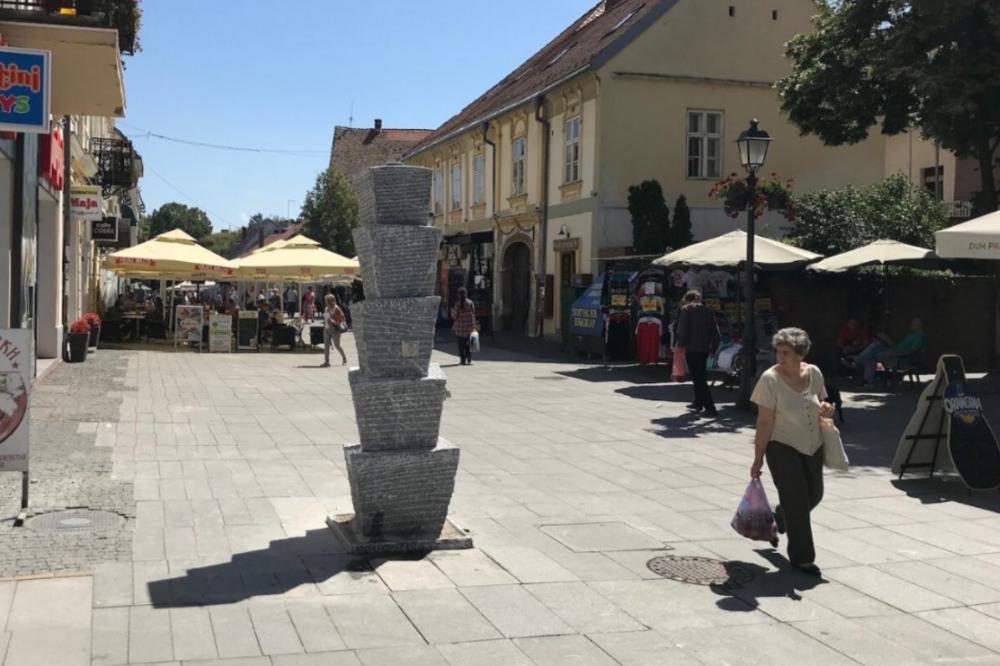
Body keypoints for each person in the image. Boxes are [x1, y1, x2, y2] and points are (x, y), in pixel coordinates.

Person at [750, 327, 834, 577]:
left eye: (785, 352)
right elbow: (764, 422)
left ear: (800, 353)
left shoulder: (814, 373)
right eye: (778, 351)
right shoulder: (769, 379)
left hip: (812, 444)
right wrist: (758, 458)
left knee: (814, 495)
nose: (780, 356)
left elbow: (821, 402)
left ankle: (780, 517)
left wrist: (827, 409)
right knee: (797, 499)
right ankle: (802, 559)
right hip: (781, 446)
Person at [675, 290, 720, 417]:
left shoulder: (686, 310)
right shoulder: (708, 311)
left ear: (687, 299)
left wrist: (680, 344)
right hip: (704, 348)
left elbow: (683, 329)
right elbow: (715, 331)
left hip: (692, 348)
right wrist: (714, 347)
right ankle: (698, 402)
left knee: (698, 378)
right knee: (699, 375)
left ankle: (710, 407)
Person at [853, 317, 927, 387]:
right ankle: (867, 380)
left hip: (901, 358)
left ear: (920, 325)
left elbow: (913, 350)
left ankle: (860, 365)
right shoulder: (911, 335)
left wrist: (896, 353)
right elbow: (897, 347)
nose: (911, 324)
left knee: (873, 353)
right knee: (876, 344)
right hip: (895, 353)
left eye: (913, 323)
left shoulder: (920, 336)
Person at [451, 287, 477, 366]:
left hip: (460, 328)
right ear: (466, 294)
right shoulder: (470, 303)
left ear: (459, 295)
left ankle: (463, 360)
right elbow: (473, 313)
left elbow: (454, 316)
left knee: (461, 345)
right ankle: (469, 359)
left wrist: (451, 313)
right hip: (469, 327)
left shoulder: (457, 304)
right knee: (469, 344)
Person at [322, 294, 347, 367]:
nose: (325, 301)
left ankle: (344, 358)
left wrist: (332, 319)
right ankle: (326, 361)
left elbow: (342, 318)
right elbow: (326, 318)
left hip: (335, 330)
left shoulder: (336, 308)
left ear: (330, 301)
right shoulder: (326, 308)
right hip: (327, 329)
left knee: (337, 345)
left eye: (326, 300)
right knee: (326, 346)